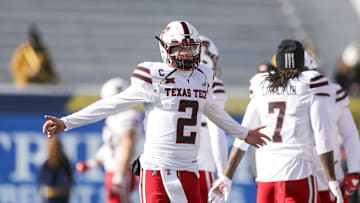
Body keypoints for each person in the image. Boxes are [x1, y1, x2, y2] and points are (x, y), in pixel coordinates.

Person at [42, 20, 270, 203]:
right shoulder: (154, 76)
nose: (187, 56)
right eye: (180, 50)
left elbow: (213, 111)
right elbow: (112, 104)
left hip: (190, 171)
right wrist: (67, 122)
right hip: (157, 172)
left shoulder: (203, 75)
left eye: (191, 49)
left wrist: (242, 132)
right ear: (165, 49)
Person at [208, 40, 344, 203]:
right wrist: (332, 179)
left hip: (266, 176)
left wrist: (227, 176)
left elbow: (243, 135)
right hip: (297, 173)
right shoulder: (311, 83)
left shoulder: (262, 84)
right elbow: (322, 136)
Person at [304, 52, 360, 203]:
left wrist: (354, 171)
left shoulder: (333, 92)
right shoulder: (283, 93)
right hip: (299, 174)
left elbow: (350, 135)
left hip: (331, 174)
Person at [75, 77, 142, 203]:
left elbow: (128, 147)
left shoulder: (128, 116)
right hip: (114, 170)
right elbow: (110, 147)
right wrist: (91, 163)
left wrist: (121, 174)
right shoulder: (113, 119)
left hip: (123, 170)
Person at [197, 35, 228, 203]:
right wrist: (223, 174)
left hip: (170, 166)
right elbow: (217, 133)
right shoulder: (212, 84)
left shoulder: (171, 81)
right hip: (202, 166)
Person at [11, 24, 60, 88]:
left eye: (35, 41)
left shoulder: (43, 52)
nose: (34, 44)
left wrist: (56, 81)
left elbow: (50, 69)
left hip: (40, 85)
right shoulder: (22, 51)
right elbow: (15, 68)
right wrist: (27, 71)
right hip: (24, 85)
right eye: (32, 41)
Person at [38, 136, 73, 203]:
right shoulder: (46, 163)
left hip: (62, 197)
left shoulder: (65, 163)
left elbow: (70, 180)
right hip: (50, 198)